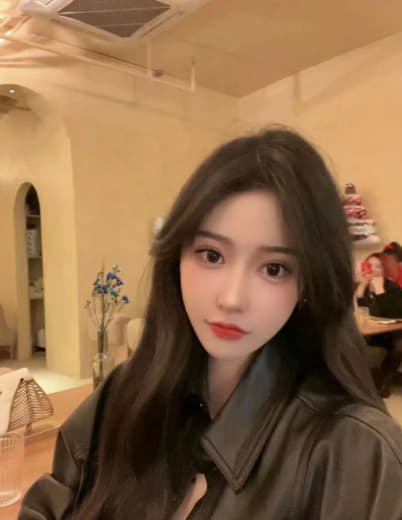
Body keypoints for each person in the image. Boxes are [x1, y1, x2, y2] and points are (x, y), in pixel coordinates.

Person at [19, 128, 402, 520]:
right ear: (176, 257)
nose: (232, 298)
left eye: (274, 268)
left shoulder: (358, 456)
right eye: (212, 255)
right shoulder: (123, 394)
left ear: (309, 283)